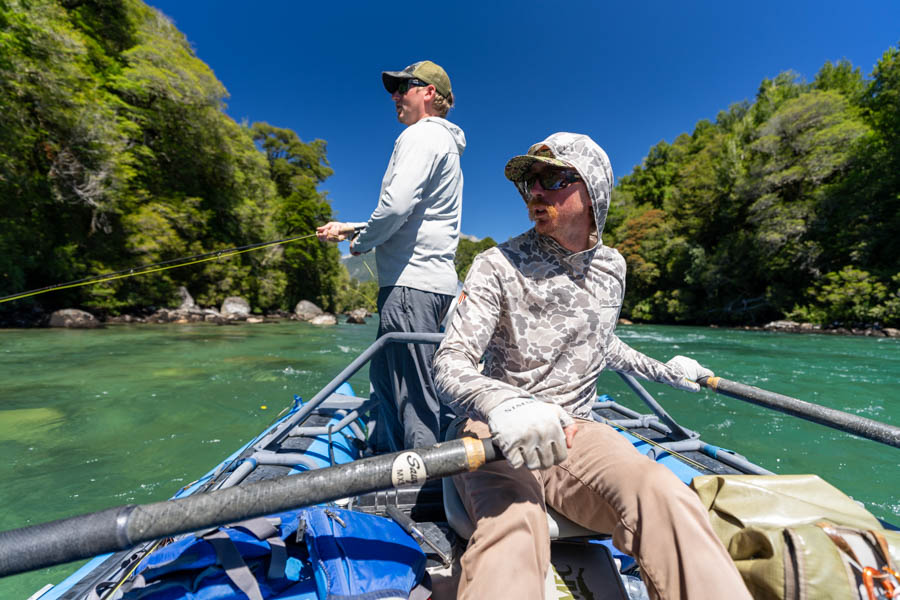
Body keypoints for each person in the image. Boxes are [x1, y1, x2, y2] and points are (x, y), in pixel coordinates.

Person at [432, 132, 752, 599]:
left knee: (664, 494)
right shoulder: (495, 264)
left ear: (594, 190)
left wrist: (666, 370)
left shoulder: (612, 269)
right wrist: (505, 405)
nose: (536, 192)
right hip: (495, 429)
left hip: (577, 431)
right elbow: (450, 360)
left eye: (554, 178)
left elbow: (602, 345)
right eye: (530, 183)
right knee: (516, 526)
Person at [317, 60, 465, 451]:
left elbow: (397, 207)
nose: (395, 96)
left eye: (404, 87)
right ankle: (386, 459)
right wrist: (352, 227)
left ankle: (418, 486)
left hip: (410, 289)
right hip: (429, 287)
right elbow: (416, 214)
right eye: (393, 90)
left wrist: (363, 242)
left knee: (412, 398)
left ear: (428, 93)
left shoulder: (420, 136)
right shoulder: (443, 142)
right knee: (388, 383)